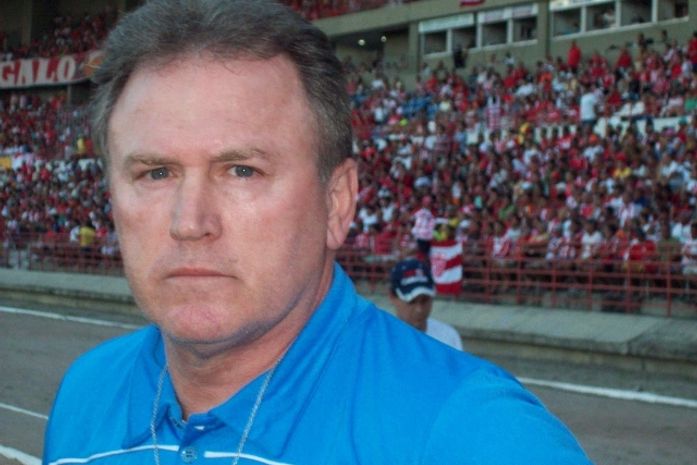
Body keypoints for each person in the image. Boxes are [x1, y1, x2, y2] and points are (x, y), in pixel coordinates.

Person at [43, 1, 594, 465]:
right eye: (156, 173)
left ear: (337, 202)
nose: (189, 223)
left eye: (242, 171)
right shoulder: (84, 395)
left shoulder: (480, 438)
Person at [389, 258, 463, 350]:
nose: (419, 309)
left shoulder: (448, 337)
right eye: (411, 302)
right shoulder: (382, 341)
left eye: (425, 300)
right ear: (392, 297)